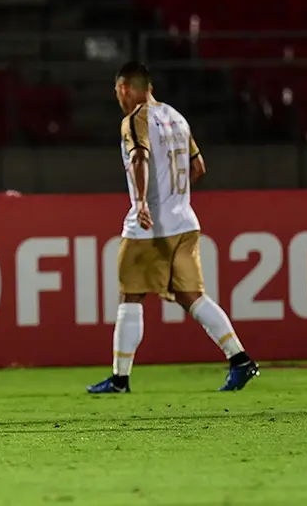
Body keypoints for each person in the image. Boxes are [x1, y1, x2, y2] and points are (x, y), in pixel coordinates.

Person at [87, 62, 259, 394]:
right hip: (185, 222)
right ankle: (240, 360)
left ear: (124, 88)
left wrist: (143, 202)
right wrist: (173, 197)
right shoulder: (177, 117)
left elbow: (139, 157)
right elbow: (198, 167)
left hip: (150, 226)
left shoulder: (135, 119)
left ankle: (120, 379)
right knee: (193, 297)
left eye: (117, 92)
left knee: (130, 294)